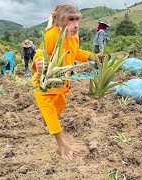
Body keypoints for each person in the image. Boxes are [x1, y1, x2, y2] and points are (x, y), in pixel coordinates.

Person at [31, 3, 102, 160]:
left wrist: (93, 56)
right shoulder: (52, 35)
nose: (75, 25)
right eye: (70, 20)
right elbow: (39, 53)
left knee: (61, 104)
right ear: (56, 19)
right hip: (44, 85)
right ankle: (62, 144)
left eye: (77, 20)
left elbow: (75, 52)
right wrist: (39, 62)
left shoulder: (73, 37)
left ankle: (48, 119)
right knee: (50, 113)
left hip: (60, 85)